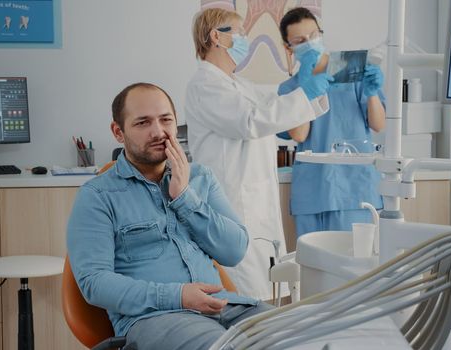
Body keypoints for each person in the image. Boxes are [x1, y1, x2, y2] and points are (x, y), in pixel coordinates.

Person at [67, 82, 272, 350]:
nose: (159, 132)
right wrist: (178, 296)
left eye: (166, 120)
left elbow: (234, 251)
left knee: (307, 336)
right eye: (142, 123)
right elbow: (95, 283)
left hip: (227, 307)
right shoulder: (97, 196)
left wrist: (185, 197)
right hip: (157, 318)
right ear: (118, 132)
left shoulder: (200, 178)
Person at [185, 7, 333, 300]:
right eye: (239, 33)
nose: (245, 41)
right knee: (246, 296)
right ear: (217, 37)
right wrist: (305, 92)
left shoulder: (240, 85)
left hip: (255, 207)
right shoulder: (205, 85)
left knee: (268, 292)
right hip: (232, 209)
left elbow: (275, 102)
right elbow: (251, 121)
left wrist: (309, 77)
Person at [277, 7, 386, 237]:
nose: (310, 43)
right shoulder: (289, 89)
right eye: (300, 40)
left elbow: (378, 124)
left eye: (314, 35)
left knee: (357, 267)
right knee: (313, 268)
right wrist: (304, 92)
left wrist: (372, 92)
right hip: (312, 193)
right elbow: (299, 135)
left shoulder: (352, 71)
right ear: (289, 48)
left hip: (355, 190)